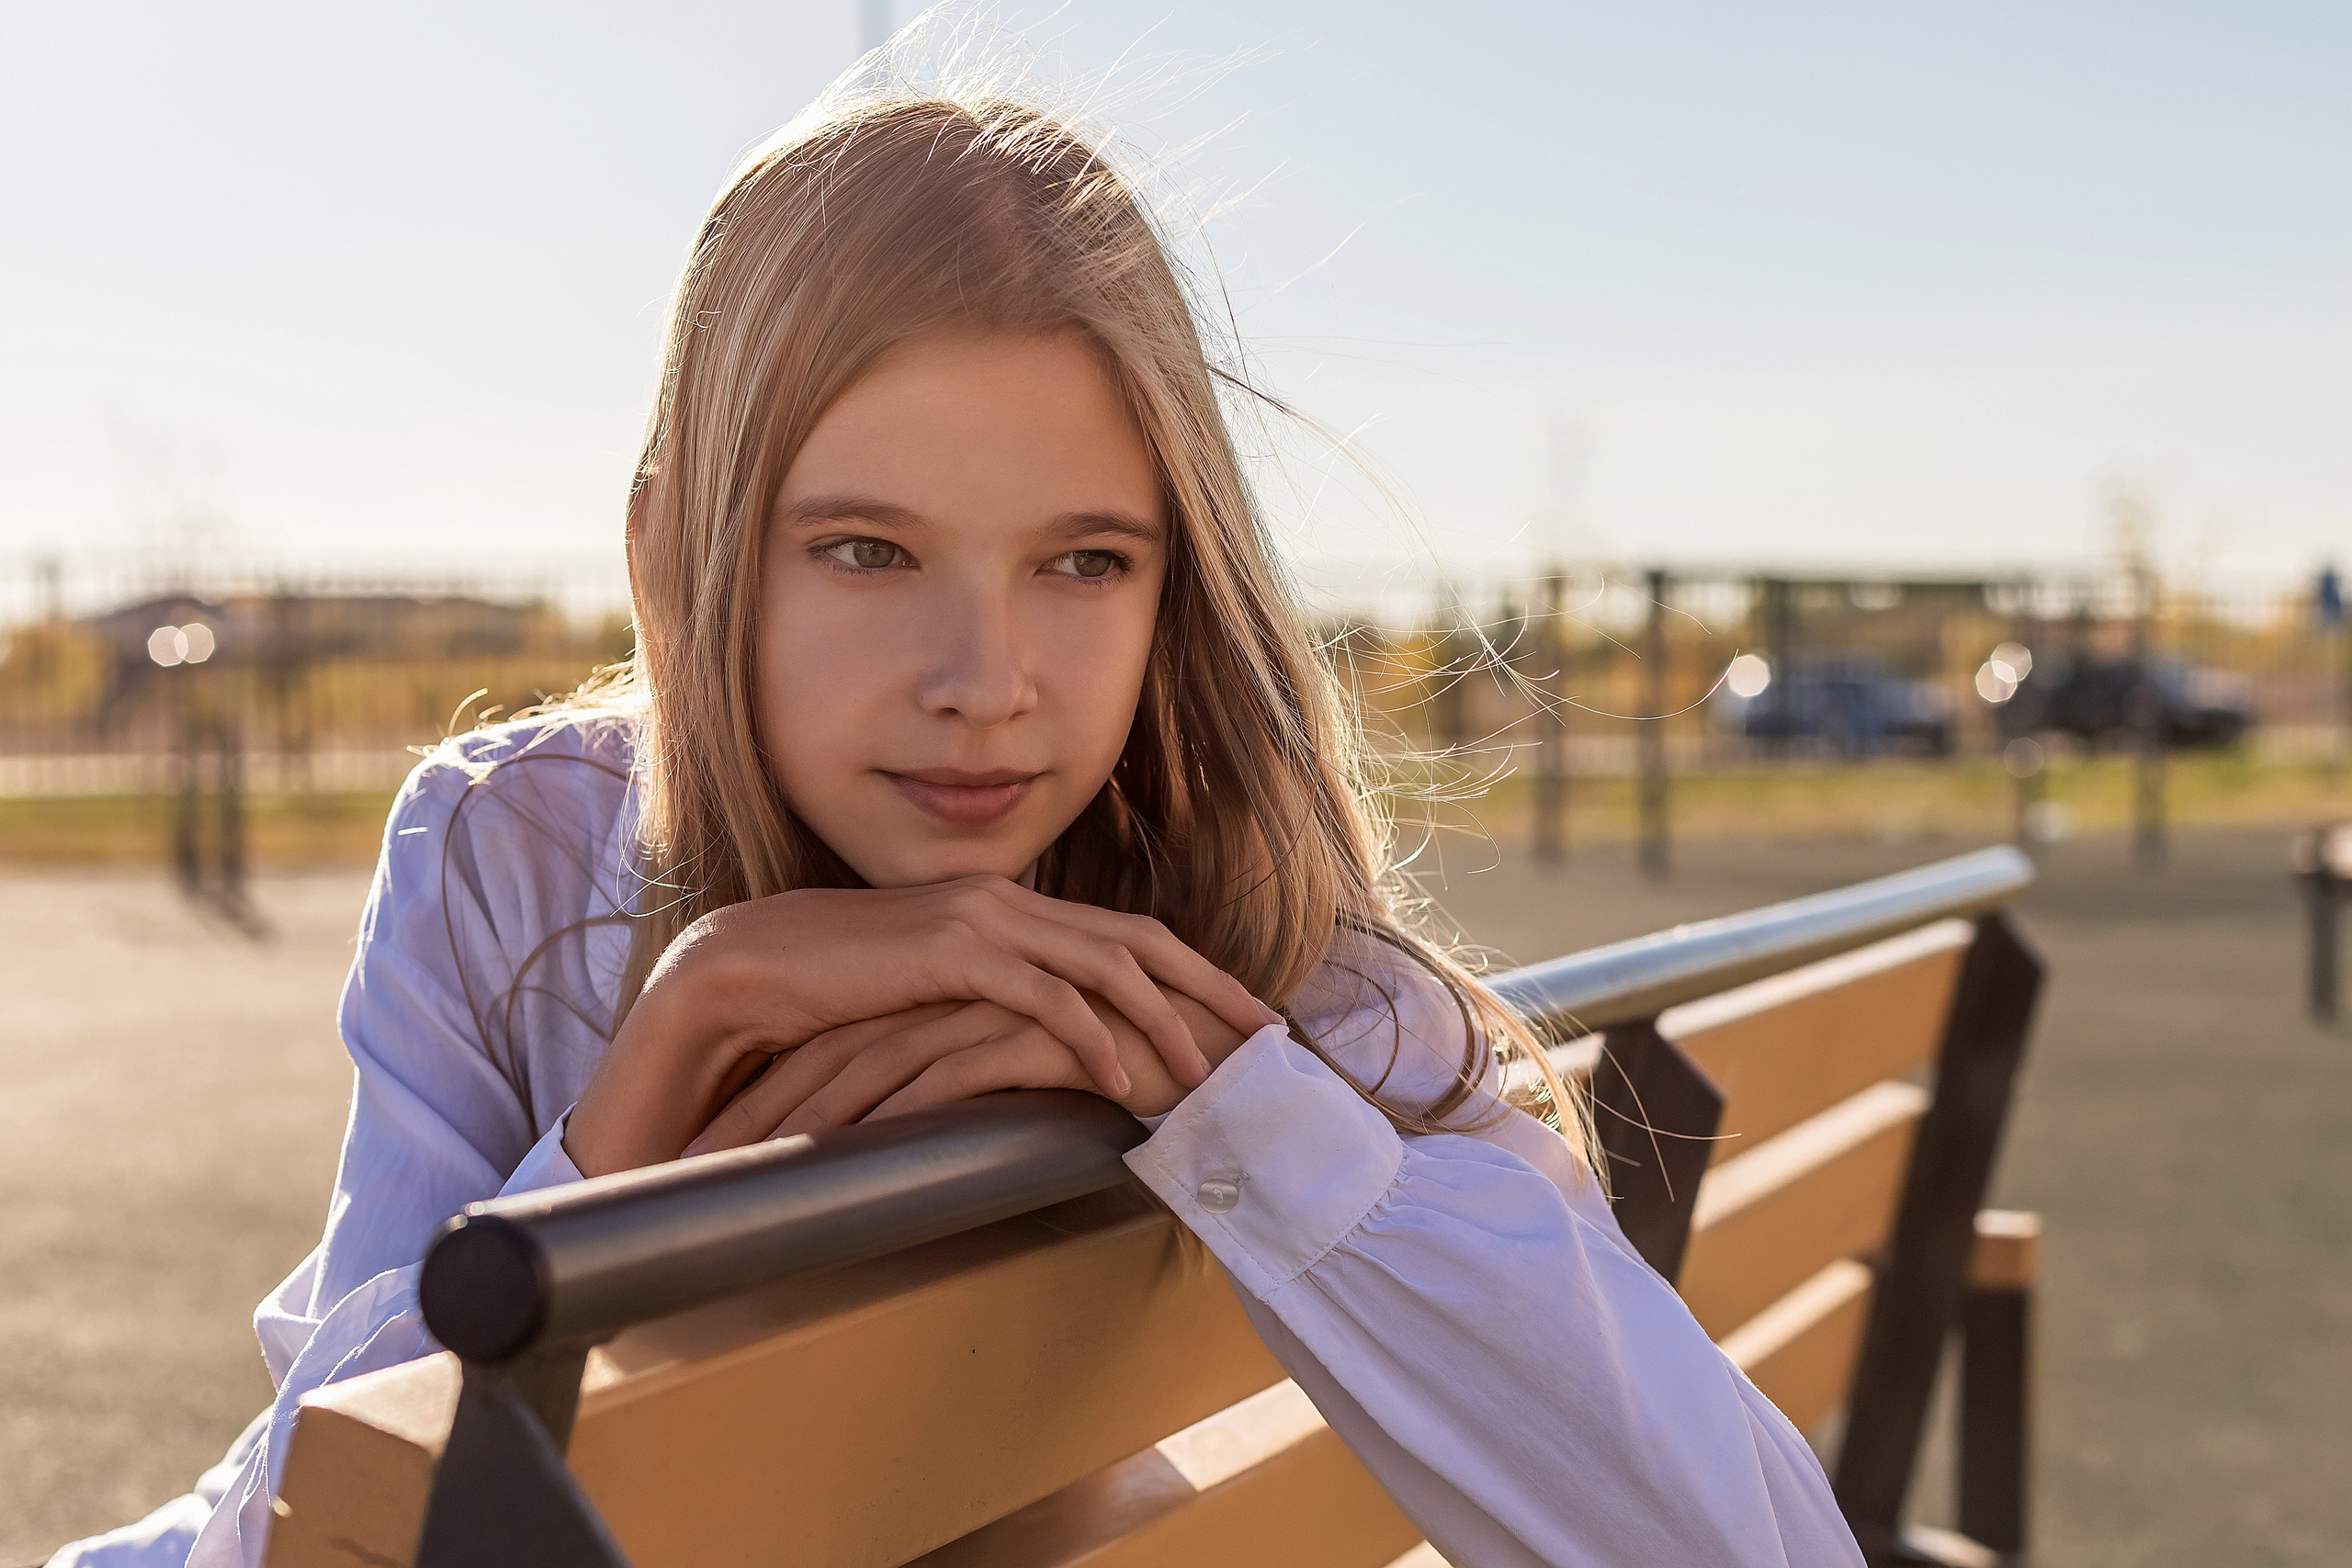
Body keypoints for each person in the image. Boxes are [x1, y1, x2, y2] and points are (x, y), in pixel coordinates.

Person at [51, 75, 1863, 1568]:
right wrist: (658, 1063)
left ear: (1172, 592)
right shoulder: (518, 843)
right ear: (670, 572)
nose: (983, 678)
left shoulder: (1259, 983)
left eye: (1081, 560)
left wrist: (1238, 1106)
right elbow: (293, 1519)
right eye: (866, 549)